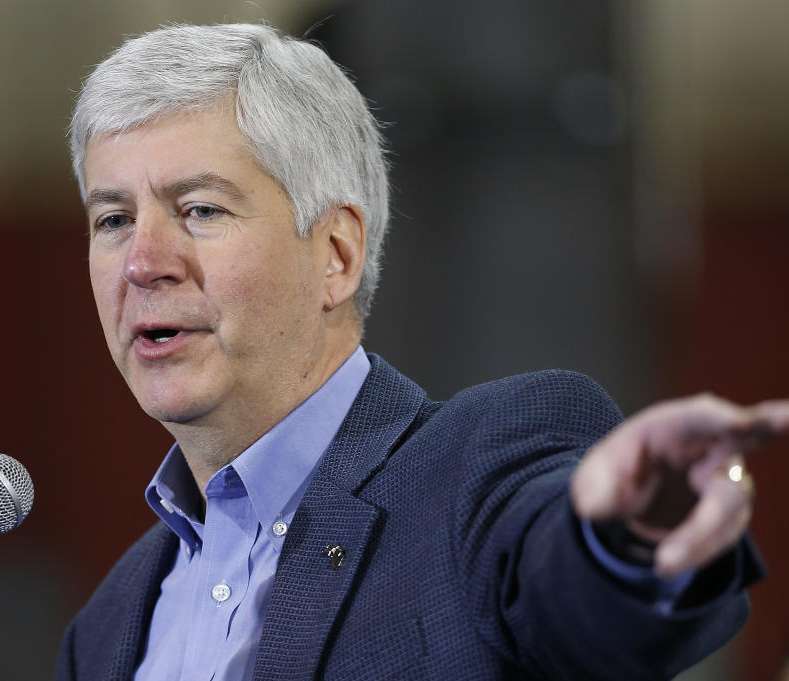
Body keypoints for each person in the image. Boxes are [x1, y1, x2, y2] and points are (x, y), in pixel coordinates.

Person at [56, 23, 788, 681]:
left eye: (200, 209)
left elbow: (570, 589)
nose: (142, 261)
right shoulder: (107, 625)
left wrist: (621, 538)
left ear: (337, 255)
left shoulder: (475, 471)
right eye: (114, 218)